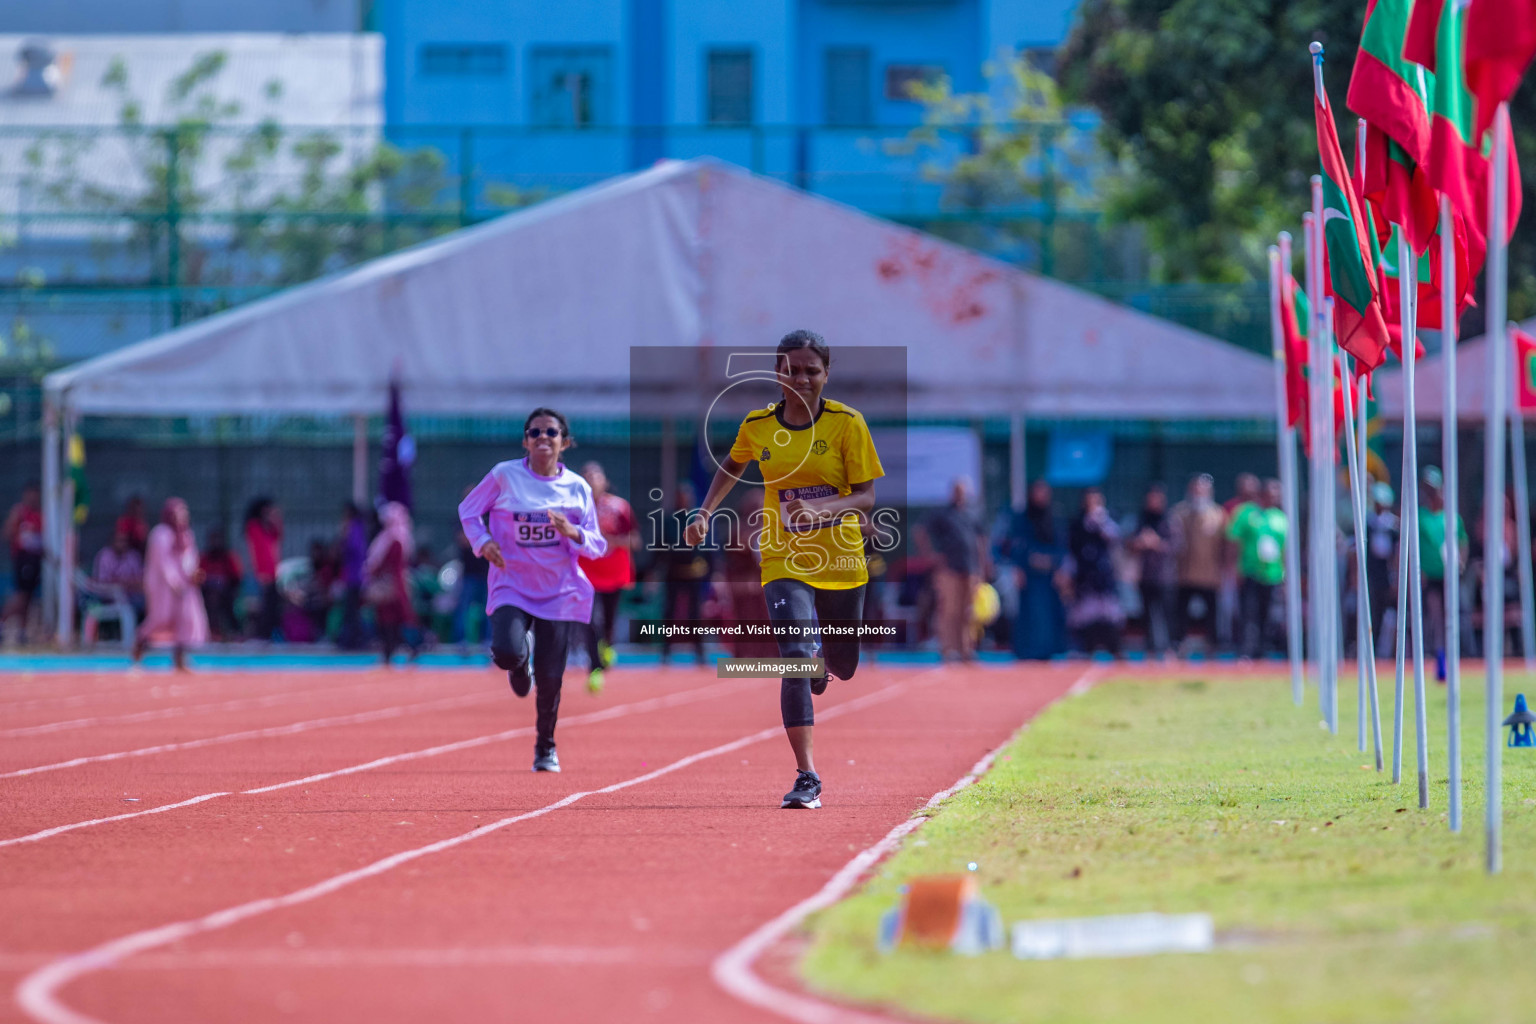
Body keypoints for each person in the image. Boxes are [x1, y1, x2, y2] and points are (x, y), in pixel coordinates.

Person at [685, 329, 884, 810]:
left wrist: (822, 511)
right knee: (794, 655)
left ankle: (824, 658)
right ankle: (807, 775)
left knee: (843, 666)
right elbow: (732, 466)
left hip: (839, 557)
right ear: (777, 373)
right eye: (791, 369)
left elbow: (866, 496)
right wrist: (705, 511)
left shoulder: (847, 424)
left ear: (826, 374)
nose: (801, 378)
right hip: (782, 555)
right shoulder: (757, 425)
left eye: (811, 370)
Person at [458, 407, 607, 773]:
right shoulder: (504, 476)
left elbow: (597, 545)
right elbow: (468, 510)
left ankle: (546, 747)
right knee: (507, 652)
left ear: (565, 443)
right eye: (535, 432)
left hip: (558, 592)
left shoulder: (577, 488)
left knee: (552, 679)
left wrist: (572, 532)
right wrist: (483, 542)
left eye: (551, 433)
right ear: (525, 440)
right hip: (512, 584)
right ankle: (518, 663)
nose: (543, 438)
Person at [575, 461, 637, 693]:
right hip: (585, 574)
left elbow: (635, 540)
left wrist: (611, 541)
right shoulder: (574, 508)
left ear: (605, 480)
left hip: (613, 573)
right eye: (586, 474)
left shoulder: (619, 507)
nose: (591, 478)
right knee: (590, 621)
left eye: (595, 474)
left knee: (609, 621)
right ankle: (594, 669)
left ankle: (608, 645)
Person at [132, 498, 208, 671]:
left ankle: (180, 659)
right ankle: (138, 649)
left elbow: (189, 559)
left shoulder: (186, 535)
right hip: (162, 587)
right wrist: (174, 582)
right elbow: (163, 563)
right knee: (160, 619)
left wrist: (192, 574)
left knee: (185, 620)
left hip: (183, 587)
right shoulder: (160, 534)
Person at [923, 477, 989, 662]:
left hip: (970, 568)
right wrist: (931, 555)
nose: (959, 494)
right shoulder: (943, 514)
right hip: (948, 569)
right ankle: (948, 650)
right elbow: (921, 531)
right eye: (956, 491)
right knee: (949, 611)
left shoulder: (973, 513)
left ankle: (966, 650)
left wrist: (982, 565)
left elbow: (981, 540)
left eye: (962, 491)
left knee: (968, 611)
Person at [1000, 480, 1068, 661]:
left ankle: (1049, 650)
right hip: (1030, 576)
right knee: (1030, 615)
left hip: (1049, 577)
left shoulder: (1054, 518)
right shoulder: (1022, 518)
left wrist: (1057, 565)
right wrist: (1019, 566)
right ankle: (1027, 651)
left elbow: (1061, 546)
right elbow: (1016, 544)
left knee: (1049, 615)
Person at [1229, 478, 1289, 658]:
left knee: (1268, 614)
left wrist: (1286, 574)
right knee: (1248, 613)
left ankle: (1262, 651)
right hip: (1249, 572)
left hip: (1273, 574)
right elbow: (1233, 541)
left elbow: (1285, 549)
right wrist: (1233, 568)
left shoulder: (1280, 518)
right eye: (1271, 494)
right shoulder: (1246, 513)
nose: (1274, 498)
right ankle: (1246, 651)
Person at [1418, 466, 1467, 682]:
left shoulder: (1453, 518)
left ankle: (1453, 656)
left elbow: (1462, 542)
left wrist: (1461, 561)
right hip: (1430, 576)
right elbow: (1413, 546)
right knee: (1436, 617)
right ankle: (1440, 659)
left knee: (1452, 617)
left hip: (1450, 577)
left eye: (1434, 489)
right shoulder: (1420, 517)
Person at [1063, 487, 1123, 656]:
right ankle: (1085, 650)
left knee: (1110, 617)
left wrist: (1101, 522)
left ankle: (1115, 650)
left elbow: (1116, 539)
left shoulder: (1108, 520)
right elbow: (1071, 552)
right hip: (1084, 578)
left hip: (1104, 578)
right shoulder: (1077, 523)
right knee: (1085, 618)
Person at [1171, 474, 1227, 654]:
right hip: (1185, 573)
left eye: (1202, 490)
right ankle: (1179, 644)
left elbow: (1225, 545)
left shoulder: (1218, 514)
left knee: (1212, 613)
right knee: (1181, 612)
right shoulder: (1179, 513)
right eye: (1195, 490)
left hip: (1210, 573)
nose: (1198, 494)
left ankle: (1213, 645)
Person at [659, 482, 711, 666]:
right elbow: (660, 547)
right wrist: (653, 571)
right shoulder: (668, 520)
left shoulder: (699, 518)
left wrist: (716, 571)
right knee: (669, 615)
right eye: (680, 496)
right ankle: (665, 653)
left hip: (695, 575)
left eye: (686, 496)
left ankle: (700, 653)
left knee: (695, 615)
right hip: (674, 573)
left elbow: (710, 548)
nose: (683, 499)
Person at [364, 502, 420, 666]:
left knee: (396, 619)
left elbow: (386, 565)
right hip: (394, 585)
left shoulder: (395, 540)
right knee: (390, 620)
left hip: (393, 585)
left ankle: (410, 646)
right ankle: (390, 651)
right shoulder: (391, 538)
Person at [1129, 483, 1176, 657]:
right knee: (1147, 614)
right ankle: (1150, 648)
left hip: (1165, 576)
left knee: (1167, 614)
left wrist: (1156, 543)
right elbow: (1129, 545)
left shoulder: (1169, 519)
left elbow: (1176, 546)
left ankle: (1170, 649)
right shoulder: (1141, 519)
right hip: (1145, 575)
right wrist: (1139, 543)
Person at [3, 482, 44, 645]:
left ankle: (22, 632)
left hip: (35, 560)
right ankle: (2, 620)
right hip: (23, 559)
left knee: (28, 598)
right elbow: (8, 534)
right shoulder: (19, 512)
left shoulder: (40, 514)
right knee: (21, 595)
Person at [1365, 482, 1399, 659]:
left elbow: (1398, 553)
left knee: (1394, 613)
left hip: (1390, 576)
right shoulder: (1368, 523)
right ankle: (1374, 649)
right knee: (1374, 613)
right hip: (1373, 575)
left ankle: (1394, 651)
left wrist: (1396, 577)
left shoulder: (1394, 525)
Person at [244, 497, 284, 641]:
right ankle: (261, 634)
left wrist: (276, 518)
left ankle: (269, 633)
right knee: (263, 606)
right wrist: (261, 572)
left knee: (273, 605)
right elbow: (257, 551)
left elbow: (279, 535)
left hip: (273, 572)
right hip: (262, 573)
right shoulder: (254, 526)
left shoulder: (269, 528)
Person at [199, 526, 243, 641]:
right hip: (208, 593)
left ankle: (234, 632)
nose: (216, 542)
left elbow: (237, 577)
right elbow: (200, 577)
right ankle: (213, 631)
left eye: (218, 539)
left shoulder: (228, 557)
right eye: (213, 539)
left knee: (226, 602)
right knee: (212, 599)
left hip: (227, 593)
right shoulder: (205, 558)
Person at [337, 502, 370, 650]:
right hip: (353, 575)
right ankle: (352, 639)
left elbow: (352, 549)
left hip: (355, 576)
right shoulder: (359, 527)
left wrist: (343, 538)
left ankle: (355, 640)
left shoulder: (354, 528)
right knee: (351, 610)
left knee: (352, 610)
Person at [92, 528, 145, 615]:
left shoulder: (133, 556)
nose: (123, 544)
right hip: (108, 597)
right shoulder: (105, 556)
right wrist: (125, 583)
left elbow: (141, 580)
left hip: (132, 596)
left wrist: (126, 583)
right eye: (119, 540)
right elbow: (102, 581)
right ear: (112, 541)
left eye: (125, 541)